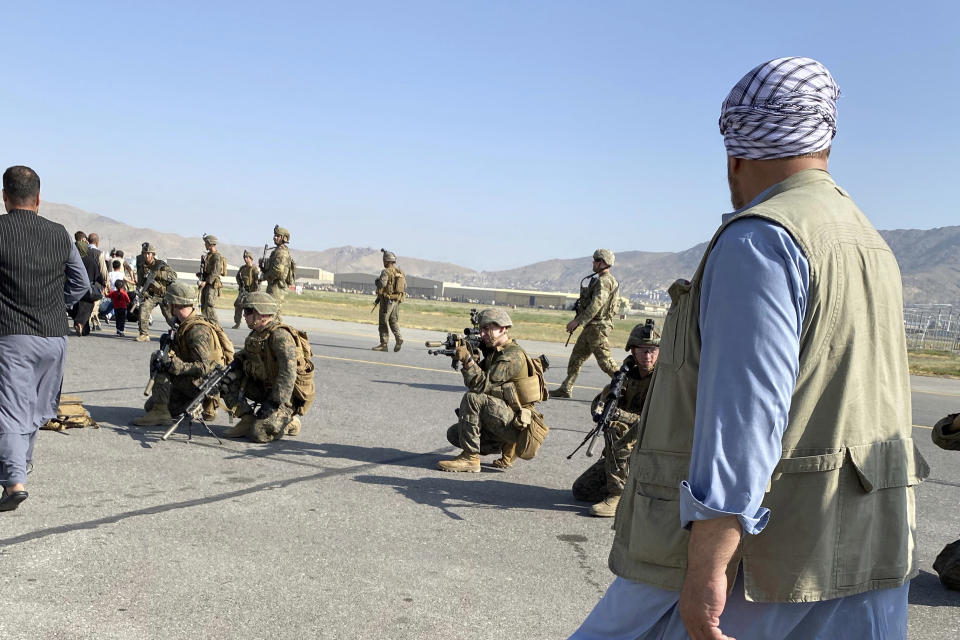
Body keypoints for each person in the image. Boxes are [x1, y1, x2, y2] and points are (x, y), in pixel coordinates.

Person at [568, 57, 926, 640]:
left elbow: (745, 418)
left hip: (759, 568)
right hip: (862, 549)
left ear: (737, 151)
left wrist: (708, 564)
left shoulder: (762, 237)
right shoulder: (868, 242)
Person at [0, 165, 88, 512]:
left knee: (9, 410)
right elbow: (80, 285)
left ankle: (14, 482)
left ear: (5, 197)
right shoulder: (60, 233)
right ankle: (22, 465)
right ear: (38, 199)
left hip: (13, 336)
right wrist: (54, 304)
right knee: (35, 408)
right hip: (54, 338)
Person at [437, 309, 548, 473]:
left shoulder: (511, 356)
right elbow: (476, 380)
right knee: (455, 433)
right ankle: (506, 448)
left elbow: (480, 385)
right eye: (481, 329)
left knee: (472, 399)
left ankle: (470, 459)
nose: (482, 334)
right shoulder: (495, 353)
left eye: (487, 329)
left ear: (503, 329)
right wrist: (472, 358)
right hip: (507, 418)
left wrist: (467, 360)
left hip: (519, 425)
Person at [571, 320, 659, 517]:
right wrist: (600, 408)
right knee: (582, 490)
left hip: (652, 446)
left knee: (616, 428)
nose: (648, 355)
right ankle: (633, 491)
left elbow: (654, 419)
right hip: (623, 451)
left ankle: (618, 495)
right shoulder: (626, 376)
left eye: (653, 350)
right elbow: (602, 399)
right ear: (633, 351)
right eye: (642, 350)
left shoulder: (663, 380)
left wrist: (619, 415)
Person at [132, 282, 232, 426]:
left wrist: (173, 364)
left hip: (202, 385)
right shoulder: (182, 324)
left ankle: (161, 413)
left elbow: (203, 367)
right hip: (194, 382)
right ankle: (189, 407)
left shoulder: (197, 330)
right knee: (149, 406)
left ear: (176, 305)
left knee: (159, 359)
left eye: (170, 303)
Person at [219, 292, 315, 442]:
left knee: (259, 434)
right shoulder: (257, 334)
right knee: (225, 381)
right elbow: (249, 354)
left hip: (286, 397)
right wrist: (237, 362)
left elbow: (288, 374)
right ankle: (247, 419)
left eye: (249, 311)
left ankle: (288, 421)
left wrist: (274, 402)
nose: (244, 315)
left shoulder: (280, 336)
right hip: (264, 386)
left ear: (262, 314)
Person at [550, 249, 620, 398]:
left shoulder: (604, 281)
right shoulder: (602, 279)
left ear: (602, 263)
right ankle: (566, 388)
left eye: (595, 260)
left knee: (605, 362)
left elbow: (597, 304)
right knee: (577, 357)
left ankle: (625, 386)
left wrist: (578, 321)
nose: (593, 263)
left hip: (598, 327)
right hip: (592, 327)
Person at [135, 243, 178, 342]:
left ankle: (179, 333)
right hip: (151, 296)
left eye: (149, 253)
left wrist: (158, 274)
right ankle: (144, 334)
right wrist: (141, 292)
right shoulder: (143, 268)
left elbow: (174, 275)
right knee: (143, 310)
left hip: (164, 295)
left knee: (170, 317)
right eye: (145, 253)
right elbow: (140, 283)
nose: (147, 256)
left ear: (153, 254)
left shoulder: (160, 264)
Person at [70, 234, 106, 336]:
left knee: (77, 307)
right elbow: (99, 273)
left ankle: (82, 327)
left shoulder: (73, 258)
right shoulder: (94, 257)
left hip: (73, 288)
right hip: (88, 288)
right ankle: (80, 324)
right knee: (87, 307)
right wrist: (104, 283)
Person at [371, 248, 406, 352]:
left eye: (384, 260)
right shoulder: (399, 272)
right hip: (396, 300)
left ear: (387, 261)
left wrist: (377, 281)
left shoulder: (386, 271)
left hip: (387, 301)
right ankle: (399, 338)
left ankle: (384, 344)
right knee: (393, 321)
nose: (383, 262)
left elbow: (382, 284)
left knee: (383, 322)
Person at [262, 225, 293, 312]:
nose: (275, 238)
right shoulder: (277, 251)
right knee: (270, 312)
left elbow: (278, 271)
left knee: (273, 312)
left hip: (277, 286)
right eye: (275, 235)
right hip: (273, 285)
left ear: (284, 238)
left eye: (278, 236)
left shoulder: (281, 252)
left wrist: (264, 277)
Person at [197, 234, 225, 327]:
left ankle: (216, 326)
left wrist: (206, 281)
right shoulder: (208, 255)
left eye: (206, 243)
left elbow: (215, 272)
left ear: (210, 243)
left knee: (209, 304)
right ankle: (207, 325)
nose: (205, 244)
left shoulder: (216, 256)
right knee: (203, 304)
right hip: (207, 283)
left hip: (212, 284)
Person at [233, 249, 260, 329]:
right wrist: (240, 285)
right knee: (238, 305)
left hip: (252, 292)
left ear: (251, 258)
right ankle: (237, 323)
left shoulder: (254, 269)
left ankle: (254, 323)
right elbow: (238, 277)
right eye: (244, 257)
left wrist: (256, 291)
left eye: (247, 257)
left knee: (252, 308)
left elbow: (257, 281)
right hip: (243, 291)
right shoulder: (242, 268)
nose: (245, 259)